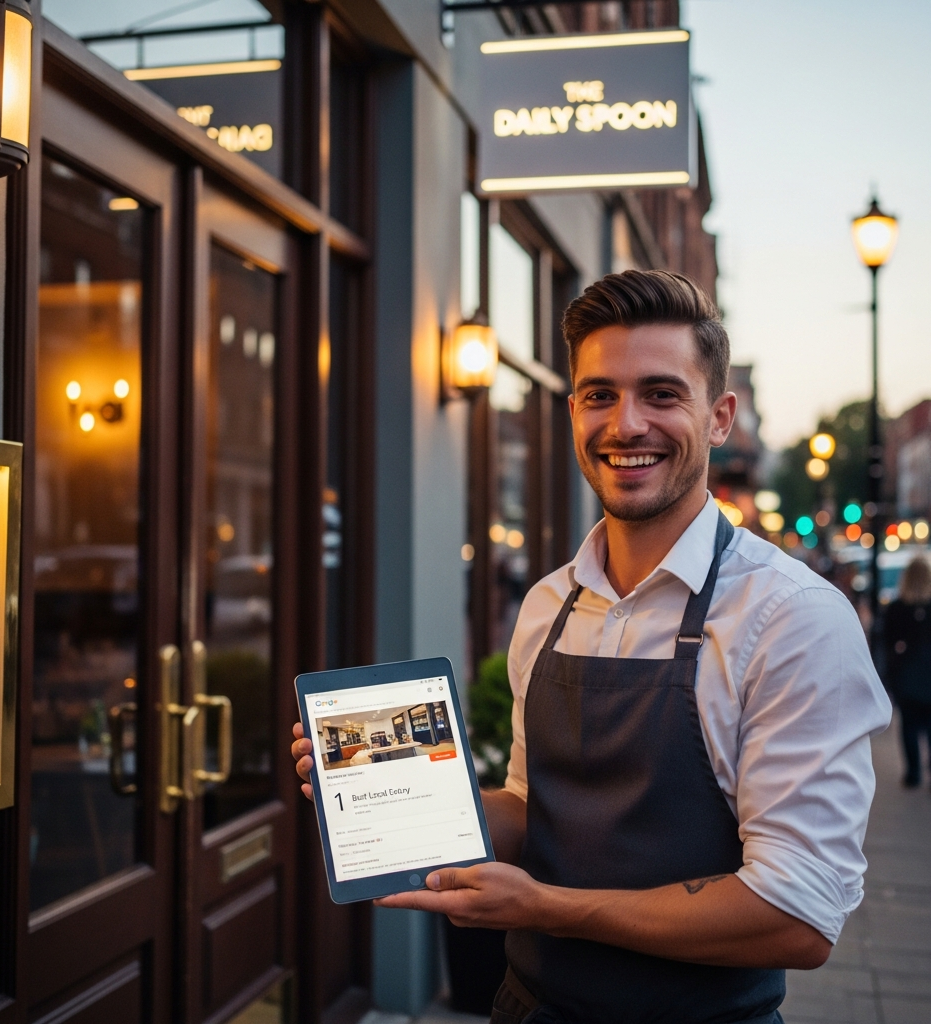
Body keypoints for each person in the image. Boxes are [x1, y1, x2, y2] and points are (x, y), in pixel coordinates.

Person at [291, 270, 893, 1024]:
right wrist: (388, 798)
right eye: (600, 394)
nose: (627, 424)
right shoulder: (547, 603)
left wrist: (545, 907)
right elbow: (526, 803)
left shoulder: (791, 619)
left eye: (662, 394)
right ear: (573, 410)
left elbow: (798, 916)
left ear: (720, 417)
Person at [884, 555, 931, 787]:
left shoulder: (896, 608)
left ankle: (913, 773)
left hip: (907, 676)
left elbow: (887, 643)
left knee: (909, 725)